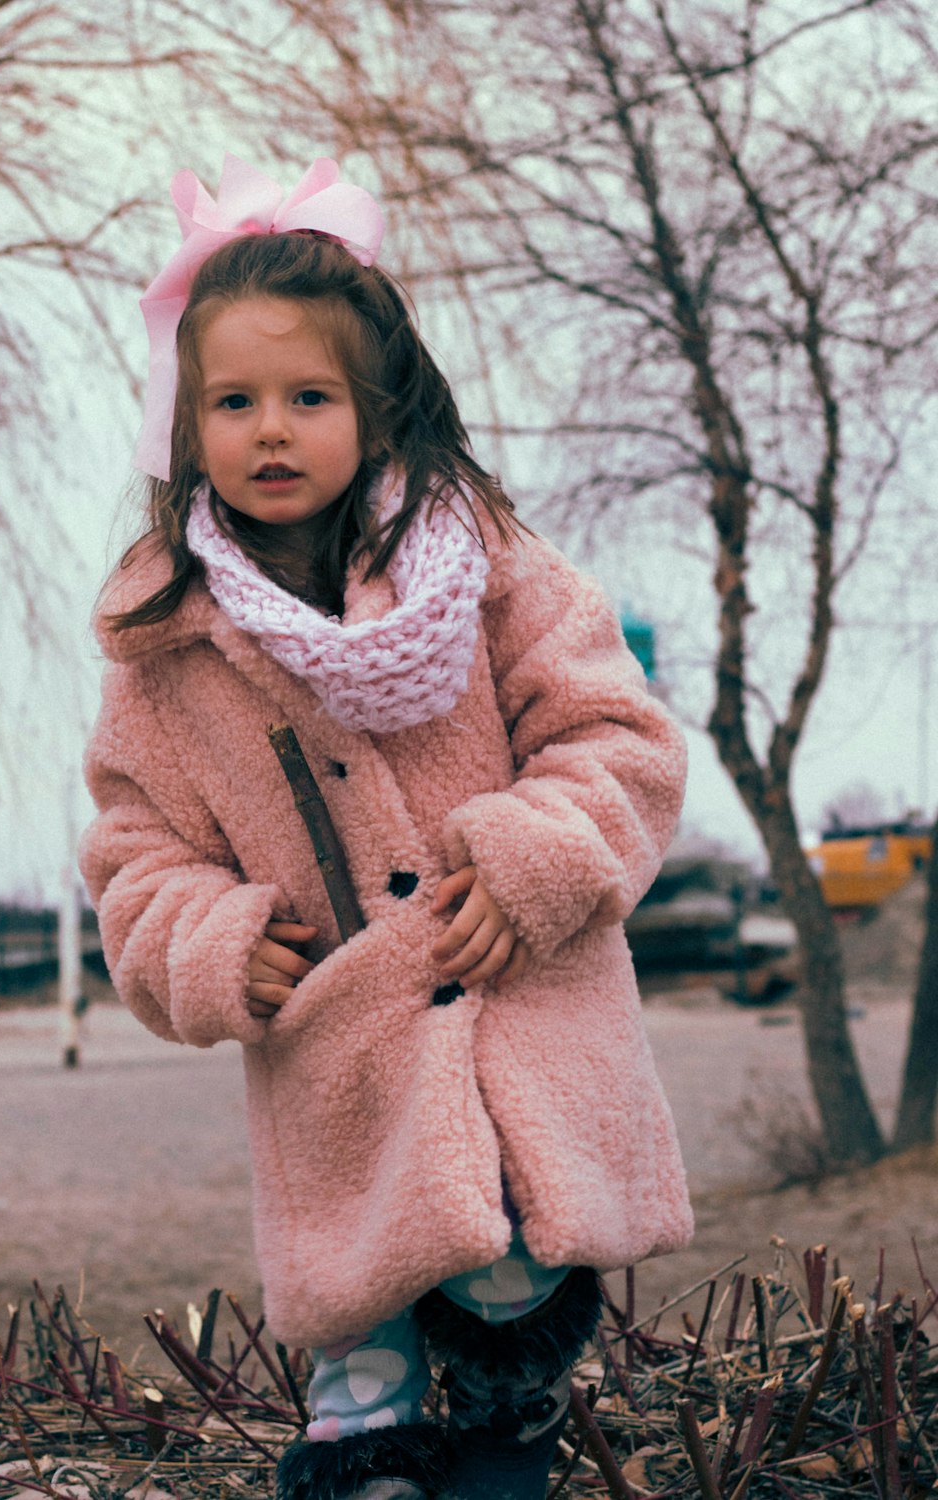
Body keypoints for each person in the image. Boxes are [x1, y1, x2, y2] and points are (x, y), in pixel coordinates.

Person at [79, 155, 693, 1500]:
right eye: (233, 402)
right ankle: (373, 1445)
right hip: (341, 1069)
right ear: (184, 424)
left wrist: (535, 854)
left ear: (379, 407)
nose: (272, 429)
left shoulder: (495, 573)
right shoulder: (169, 645)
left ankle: (508, 1419)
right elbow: (137, 853)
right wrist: (207, 940)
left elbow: (624, 743)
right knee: (369, 1399)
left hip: (516, 1018)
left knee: (507, 1327)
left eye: (310, 397)